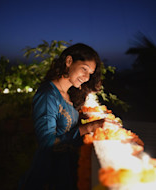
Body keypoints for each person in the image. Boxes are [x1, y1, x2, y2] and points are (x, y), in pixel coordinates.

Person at [18, 43, 118, 190]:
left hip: (66, 173)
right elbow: (47, 143)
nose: (86, 77)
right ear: (69, 61)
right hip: (47, 177)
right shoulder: (48, 95)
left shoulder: (68, 95)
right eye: (84, 69)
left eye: (90, 73)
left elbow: (67, 125)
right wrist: (89, 127)